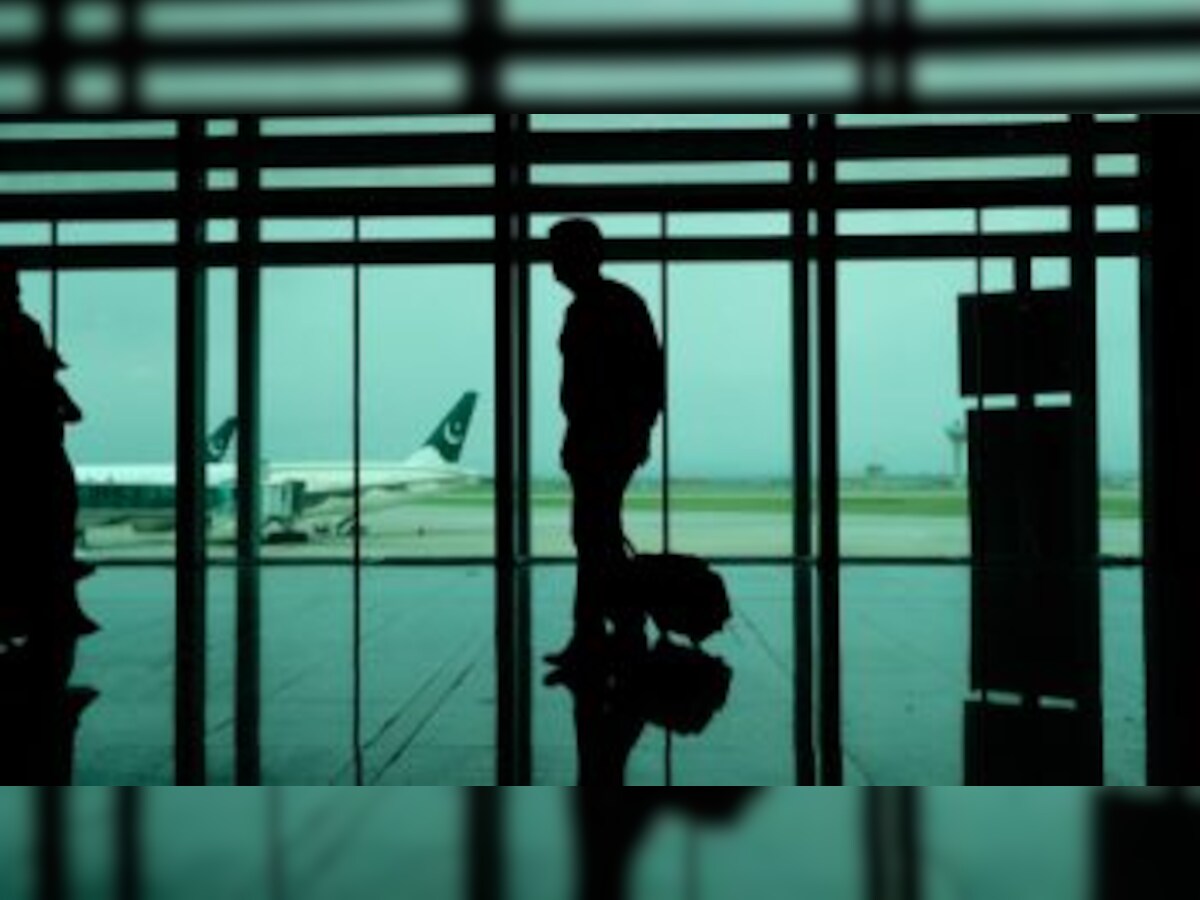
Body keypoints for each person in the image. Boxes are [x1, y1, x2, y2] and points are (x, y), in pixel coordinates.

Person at [545, 219, 664, 668]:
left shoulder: (604, 306)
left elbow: (639, 378)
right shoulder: (612, 303)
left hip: (603, 441)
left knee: (594, 536)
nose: (552, 263)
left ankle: (603, 631)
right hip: (600, 439)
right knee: (599, 534)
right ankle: (610, 630)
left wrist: (629, 432)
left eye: (557, 253)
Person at [0, 261, 97, 642]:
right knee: (52, 524)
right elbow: (54, 392)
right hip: (36, 447)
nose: (17, 292)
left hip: (26, 446)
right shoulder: (24, 328)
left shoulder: (24, 329)